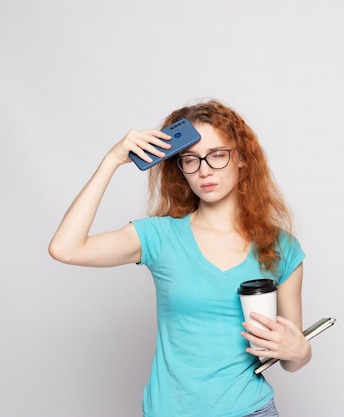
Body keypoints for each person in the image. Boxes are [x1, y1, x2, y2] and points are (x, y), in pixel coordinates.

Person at [48, 99, 311, 417]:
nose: (204, 170)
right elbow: (66, 248)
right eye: (190, 159)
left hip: (251, 409)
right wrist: (112, 160)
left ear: (241, 158)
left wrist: (301, 351)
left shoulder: (281, 247)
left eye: (217, 155)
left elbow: (289, 356)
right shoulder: (159, 237)